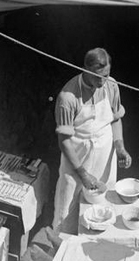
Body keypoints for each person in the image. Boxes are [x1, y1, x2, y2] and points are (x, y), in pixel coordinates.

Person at [52, 48, 133, 234]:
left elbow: (116, 119)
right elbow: (64, 141)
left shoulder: (111, 86)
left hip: (105, 161)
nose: (102, 81)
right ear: (85, 69)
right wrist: (83, 174)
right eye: (98, 77)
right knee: (67, 212)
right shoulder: (68, 97)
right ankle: (59, 255)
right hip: (77, 163)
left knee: (103, 209)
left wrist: (120, 147)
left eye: (106, 75)